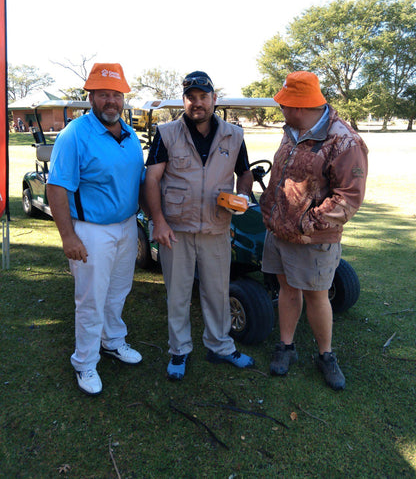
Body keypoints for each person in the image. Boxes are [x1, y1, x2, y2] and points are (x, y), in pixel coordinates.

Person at [260, 71, 368, 390]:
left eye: (284, 105)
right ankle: (286, 347)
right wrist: (271, 208)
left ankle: (326, 355)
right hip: (278, 232)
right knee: (287, 290)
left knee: (317, 295)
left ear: (300, 106)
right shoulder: (293, 130)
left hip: (311, 239)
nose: (280, 109)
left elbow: (348, 198)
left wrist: (305, 224)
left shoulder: (344, 140)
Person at [144, 71, 255, 380]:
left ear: (213, 99)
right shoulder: (166, 133)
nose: (197, 103)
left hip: (217, 228)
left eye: (203, 97)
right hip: (175, 230)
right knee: (177, 293)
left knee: (217, 292)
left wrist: (243, 195)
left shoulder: (234, 135)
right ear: (184, 100)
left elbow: (244, 172)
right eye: (190, 97)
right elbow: (151, 178)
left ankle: (220, 346)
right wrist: (159, 222)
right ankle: (178, 350)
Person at [47, 63, 146, 396]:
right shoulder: (74, 134)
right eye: (103, 94)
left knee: (118, 291)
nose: (111, 101)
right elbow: (57, 187)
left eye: (116, 95)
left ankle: (112, 340)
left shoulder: (130, 134)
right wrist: (68, 236)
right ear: (90, 96)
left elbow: (138, 181)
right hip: (90, 230)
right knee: (91, 299)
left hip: (127, 226)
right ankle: (85, 362)